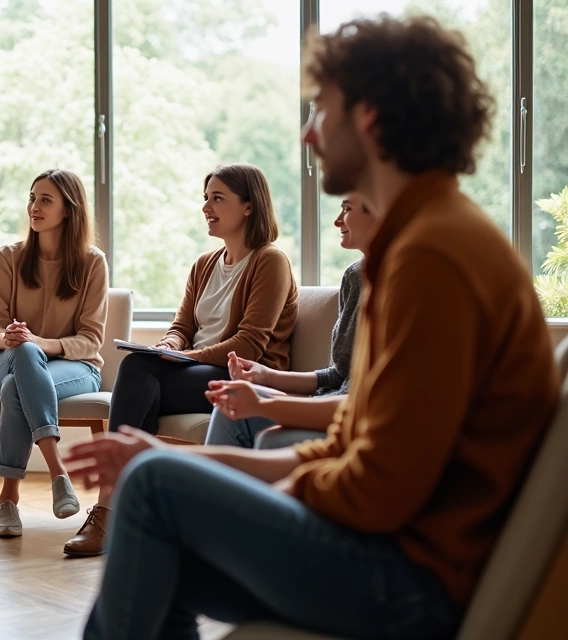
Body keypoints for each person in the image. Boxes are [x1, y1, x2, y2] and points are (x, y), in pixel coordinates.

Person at [66, 15, 558, 640]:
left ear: (370, 117)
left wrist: (190, 476)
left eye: (321, 110)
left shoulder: (434, 256)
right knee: (159, 512)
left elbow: (379, 490)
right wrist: (163, 452)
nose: (308, 133)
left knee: (156, 490)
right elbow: (351, 444)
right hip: (394, 555)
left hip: (409, 584)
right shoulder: (418, 242)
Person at [64, 163, 298, 557]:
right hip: (196, 371)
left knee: (139, 371)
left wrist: (183, 357)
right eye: (205, 198)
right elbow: (181, 326)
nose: (206, 206)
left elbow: (251, 344)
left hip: (242, 376)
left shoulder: (269, 261)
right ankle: (138, 511)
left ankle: (111, 508)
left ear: (248, 206)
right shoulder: (205, 264)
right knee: (142, 376)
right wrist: (170, 346)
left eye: (217, 198)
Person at [0, 169, 108, 538]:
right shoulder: (7, 257)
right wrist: (10, 338)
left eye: (45, 200)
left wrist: (39, 342)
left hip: (74, 367)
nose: (34, 207)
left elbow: (91, 340)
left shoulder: (92, 262)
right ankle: (58, 472)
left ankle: (8, 498)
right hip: (7, 359)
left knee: (13, 389)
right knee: (21, 359)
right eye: (32, 198)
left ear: (69, 210)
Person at [203, 193, 375, 450]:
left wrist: (263, 404)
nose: (337, 221)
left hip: (355, 418)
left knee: (270, 439)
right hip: (330, 402)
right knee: (230, 403)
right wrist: (267, 376)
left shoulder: (406, 286)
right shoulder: (354, 277)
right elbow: (339, 374)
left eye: (346, 209)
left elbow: (370, 403)